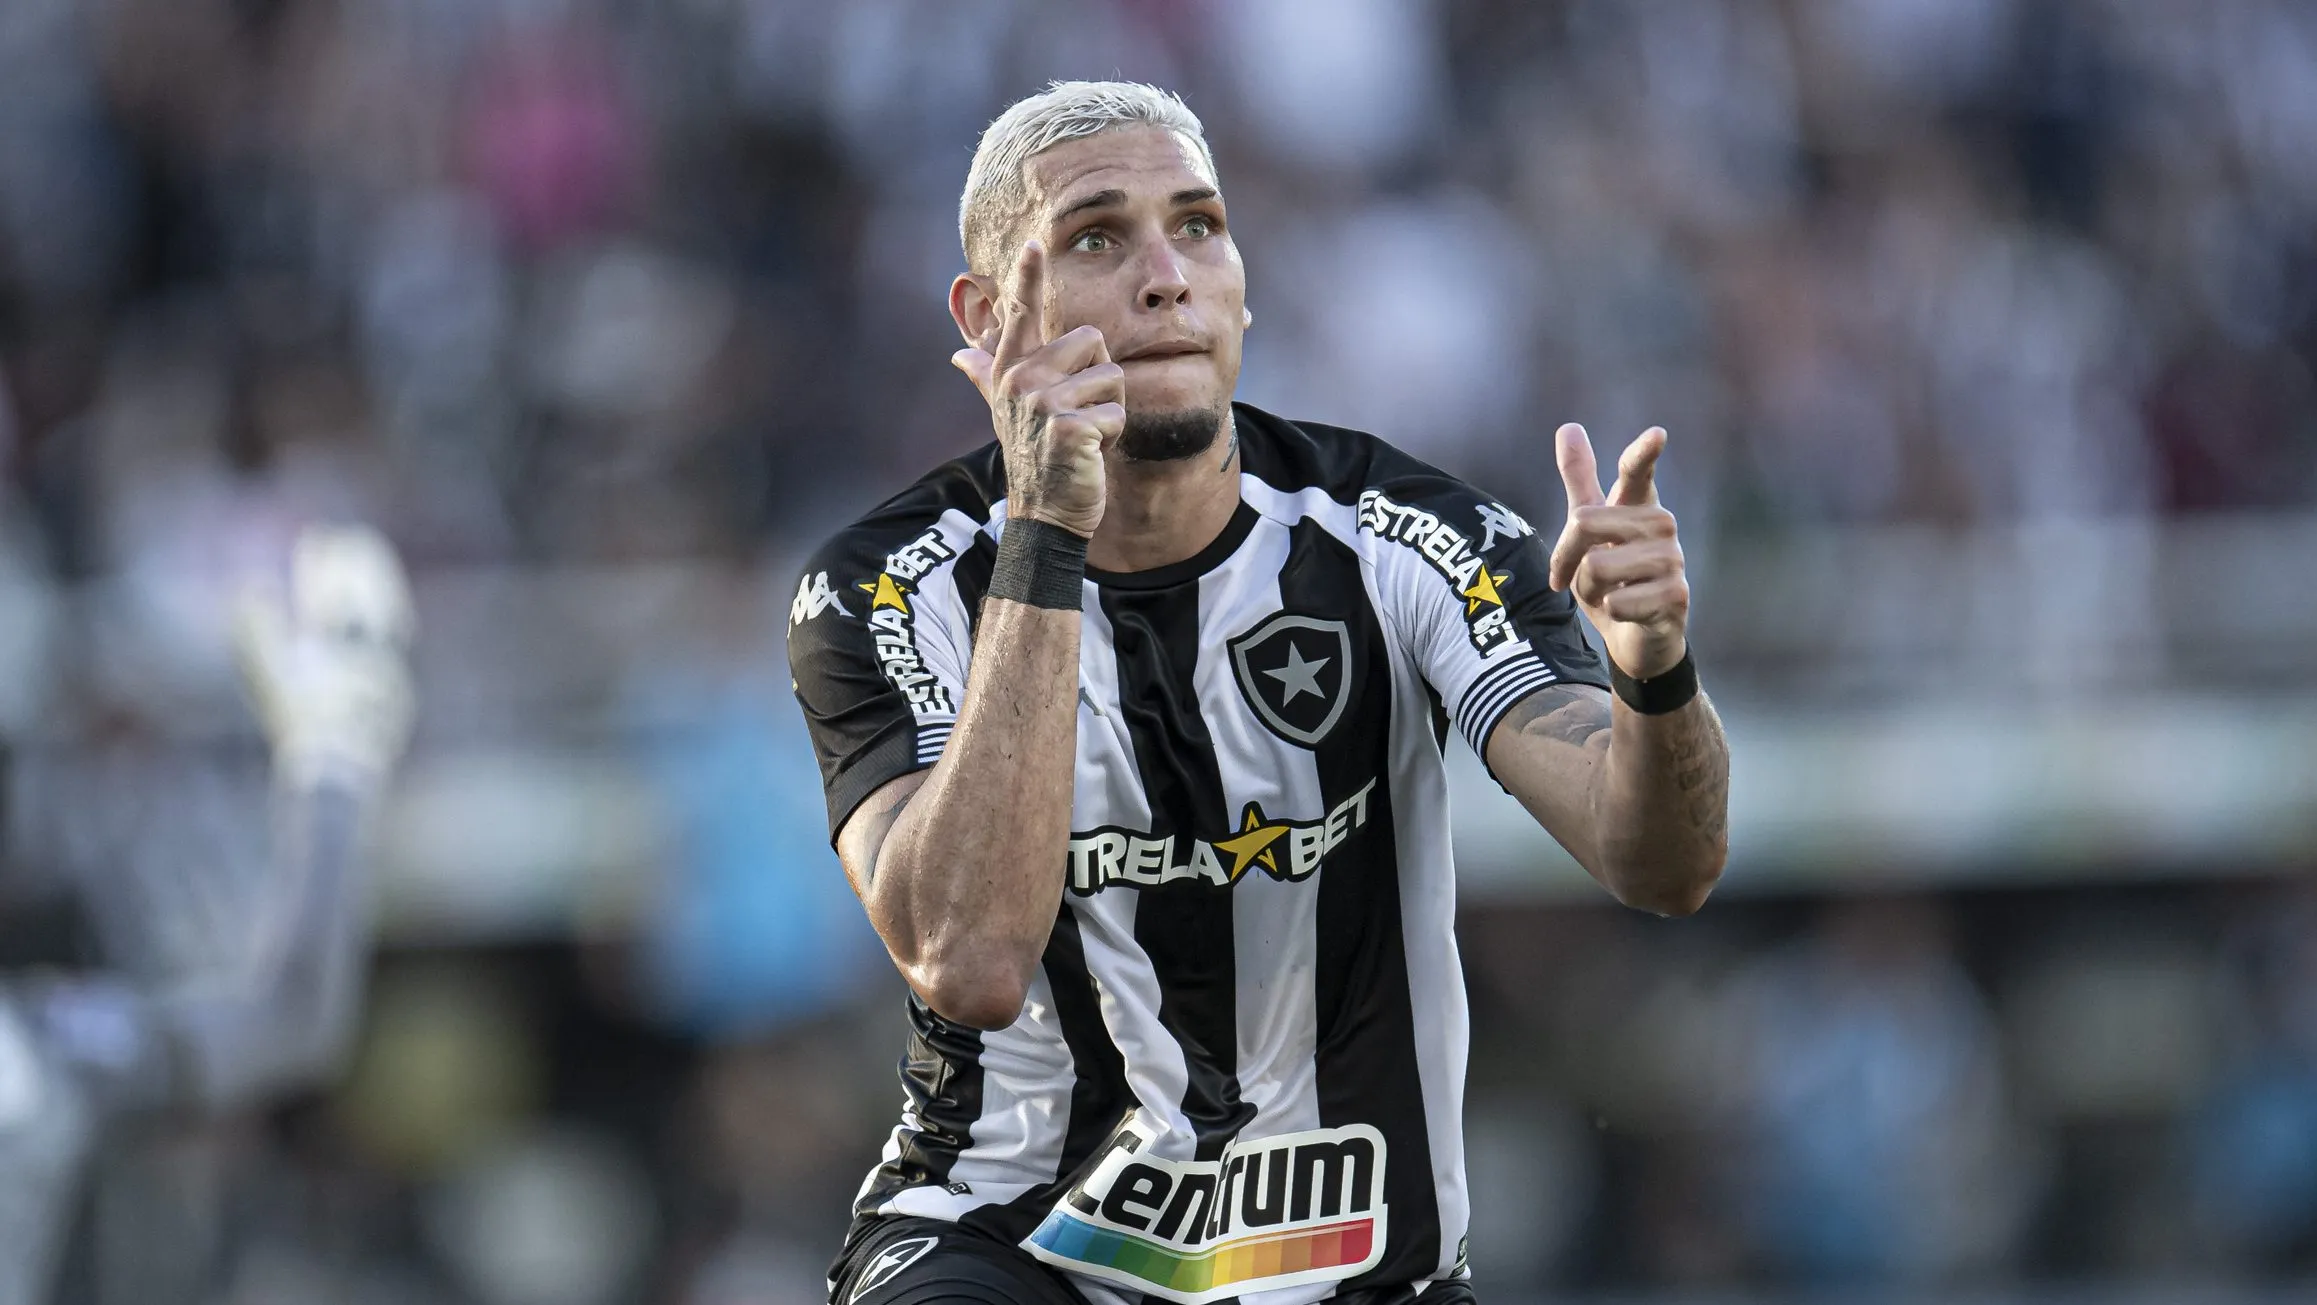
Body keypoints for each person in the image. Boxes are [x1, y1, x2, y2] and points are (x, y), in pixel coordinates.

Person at [788, 82, 1729, 1305]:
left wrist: (1654, 676)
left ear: (1242, 283)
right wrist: (1045, 539)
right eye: (1094, 239)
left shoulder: (1402, 539)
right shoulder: (886, 588)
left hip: (1349, 1262)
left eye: (1199, 226)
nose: (1166, 276)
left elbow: (1663, 863)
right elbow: (968, 960)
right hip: (1006, 1245)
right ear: (987, 318)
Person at [0, 525, 416, 1305]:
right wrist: (333, 770)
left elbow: (292, 1020)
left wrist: (332, 771)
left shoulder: (32, 1050)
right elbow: (295, 1016)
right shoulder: (31, 1055)